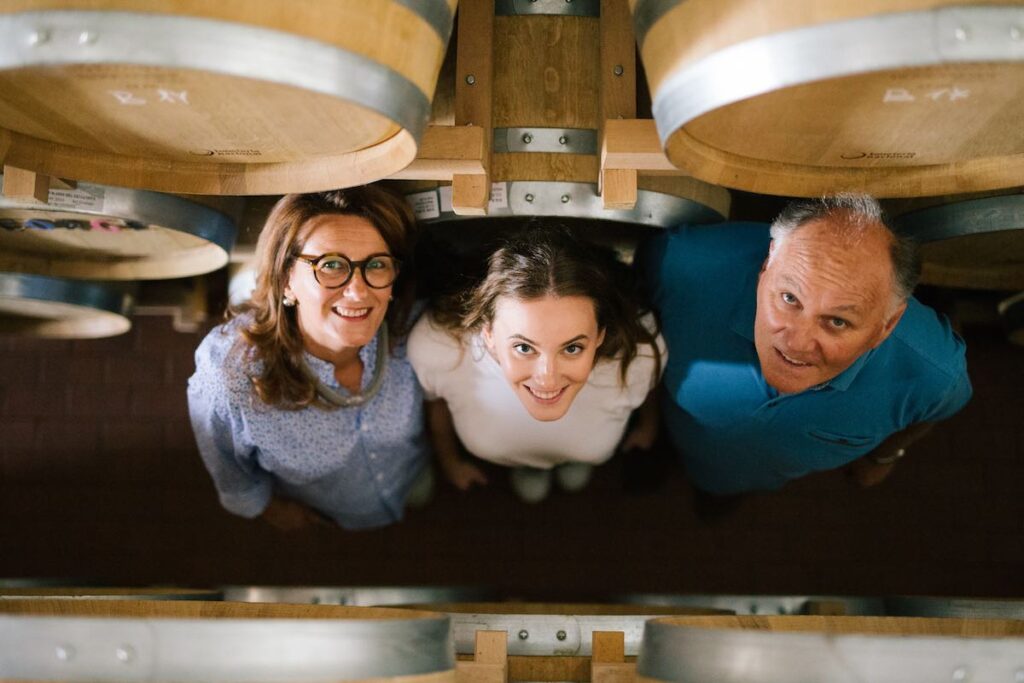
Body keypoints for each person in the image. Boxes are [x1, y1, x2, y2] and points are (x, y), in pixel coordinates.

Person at [639, 194, 971, 505]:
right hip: (673, 436)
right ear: (767, 265)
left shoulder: (936, 372)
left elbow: (936, 411)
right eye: (789, 298)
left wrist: (884, 456)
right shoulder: (683, 266)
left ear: (887, 326)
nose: (795, 345)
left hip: (762, 480)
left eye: (837, 322)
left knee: (719, 501)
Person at [187, 187, 430, 531]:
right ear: (285, 280)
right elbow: (229, 467)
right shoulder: (230, 374)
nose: (359, 291)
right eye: (330, 265)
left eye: (376, 265)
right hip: (324, 507)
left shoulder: (413, 326)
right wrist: (267, 508)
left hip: (409, 474)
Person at [408, 227, 665, 503]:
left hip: (581, 453)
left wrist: (648, 425)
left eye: (572, 348)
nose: (548, 380)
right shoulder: (437, 348)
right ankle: (529, 468)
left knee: (574, 472)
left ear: (600, 335)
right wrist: (450, 462)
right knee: (538, 484)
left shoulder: (640, 351)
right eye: (524, 348)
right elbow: (435, 402)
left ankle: (567, 462)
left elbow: (644, 384)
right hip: (510, 458)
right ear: (489, 335)